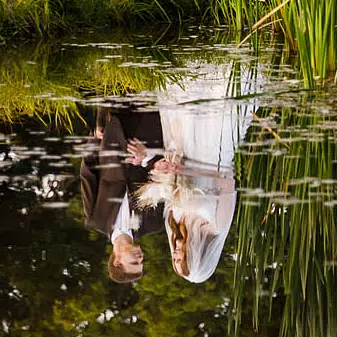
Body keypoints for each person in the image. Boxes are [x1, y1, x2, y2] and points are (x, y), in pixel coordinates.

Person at [134, 61, 256, 284]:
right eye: (182, 259)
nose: (176, 254)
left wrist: (163, 169)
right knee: (219, 92)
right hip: (211, 149)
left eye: (174, 260)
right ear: (196, 256)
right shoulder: (216, 226)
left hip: (179, 148)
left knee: (180, 93)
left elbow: (171, 186)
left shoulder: (172, 222)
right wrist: (190, 170)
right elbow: (228, 180)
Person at [78, 102, 167, 286]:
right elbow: (165, 181)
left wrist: (95, 139)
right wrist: (148, 159)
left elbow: (88, 174)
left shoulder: (96, 219)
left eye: (134, 262)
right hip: (152, 131)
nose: (140, 258)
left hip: (115, 128)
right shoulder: (154, 223)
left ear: (117, 260)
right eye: (141, 262)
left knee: (121, 78)